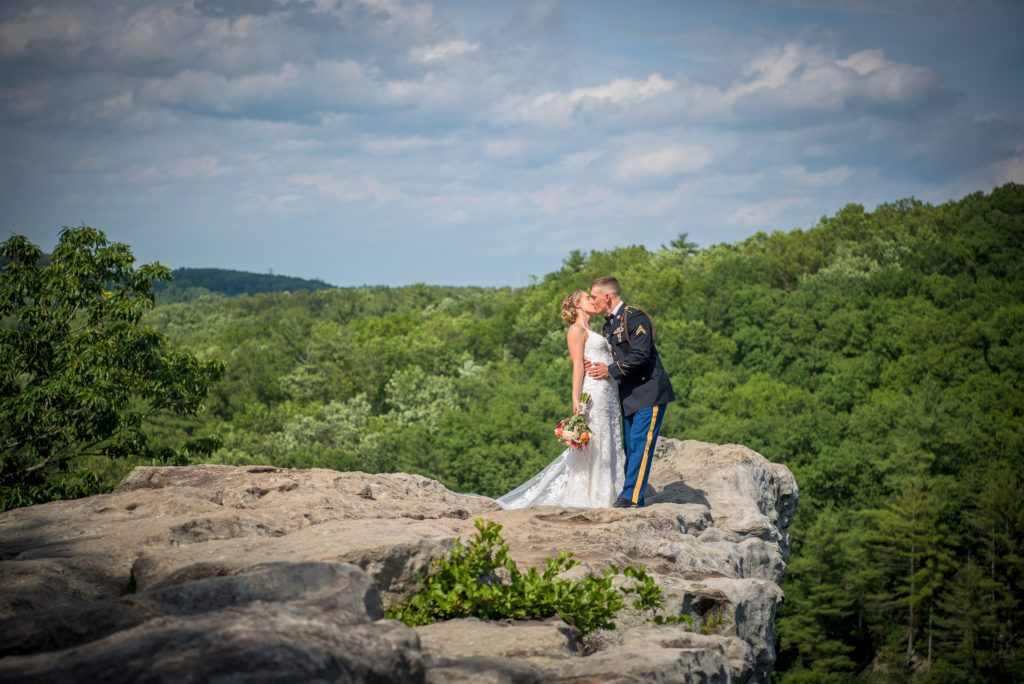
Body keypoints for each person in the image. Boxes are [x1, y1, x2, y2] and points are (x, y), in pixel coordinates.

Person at [497, 290, 625, 508]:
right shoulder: (576, 330)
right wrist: (576, 398)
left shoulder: (594, 329)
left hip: (609, 391)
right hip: (594, 391)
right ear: (576, 305)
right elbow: (577, 365)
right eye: (587, 298)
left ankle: (610, 492)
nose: (592, 301)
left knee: (608, 438)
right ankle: (592, 497)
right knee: (596, 440)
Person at [585, 276, 675, 508]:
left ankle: (631, 498)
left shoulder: (635, 316)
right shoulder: (609, 324)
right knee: (631, 447)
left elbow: (640, 354)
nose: (592, 301)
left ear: (607, 296)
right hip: (628, 395)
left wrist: (610, 370)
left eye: (594, 296)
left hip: (648, 391)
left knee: (641, 445)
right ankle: (630, 494)